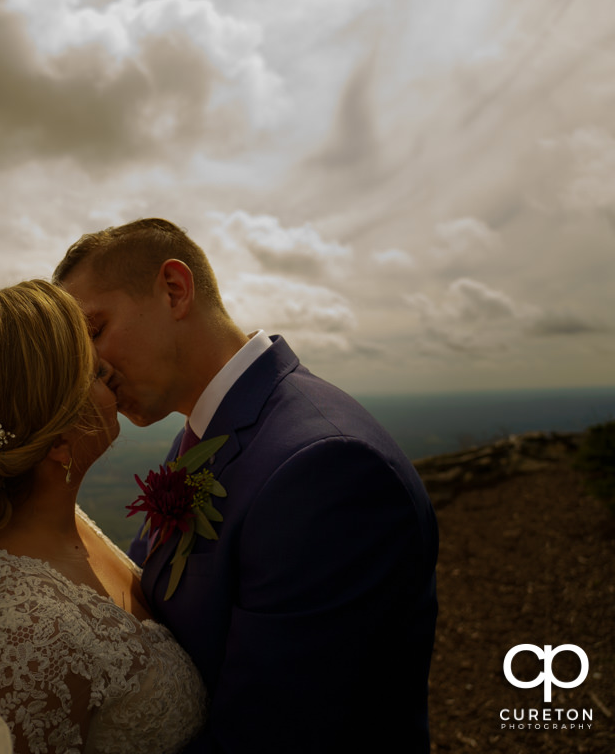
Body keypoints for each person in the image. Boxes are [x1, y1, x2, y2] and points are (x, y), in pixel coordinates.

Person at [54, 218, 439, 754]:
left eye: (94, 330)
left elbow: (274, 740)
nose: (90, 366)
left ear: (174, 289)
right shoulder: (197, 439)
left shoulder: (327, 469)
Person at [0, 279, 206, 754]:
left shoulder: (55, 516)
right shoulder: (18, 640)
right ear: (60, 443)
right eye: (95, 373)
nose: (110, 370)